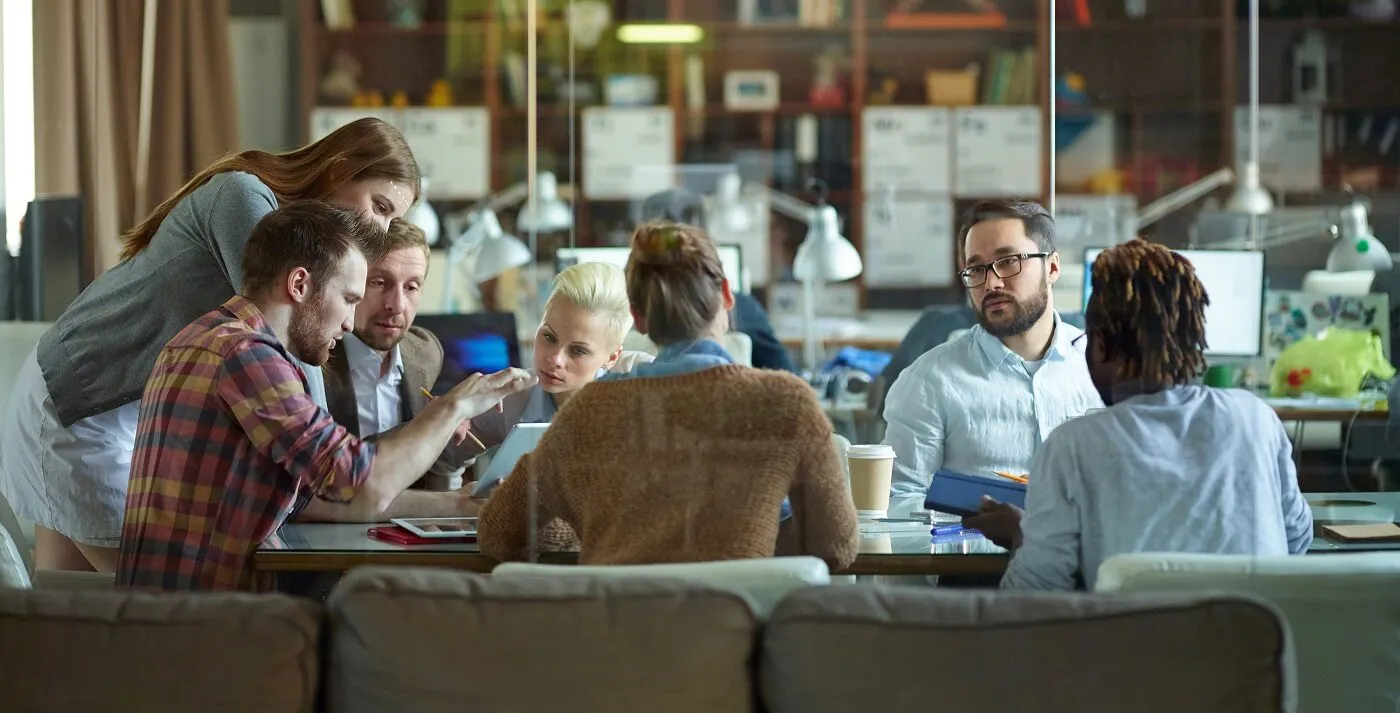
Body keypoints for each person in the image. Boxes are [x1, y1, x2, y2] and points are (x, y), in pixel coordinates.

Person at [0, 117, 420, 574]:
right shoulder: (245, 198)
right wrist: (326, 455)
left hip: (98, 406)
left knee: (69, 615)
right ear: (340, 169)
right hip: (76, 405)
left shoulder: (286, 226)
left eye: (393, 219)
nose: (381, 230)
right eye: (379, 207)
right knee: (148, 612)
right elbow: (290, 338)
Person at [117, 201, 533, 592]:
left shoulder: (201, 337)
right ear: (300, 284)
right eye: (350, 298)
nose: (351, 323)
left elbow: (308, 497)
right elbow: (360, 484)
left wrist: (457, 504)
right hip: (209, 627)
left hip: (169, 617)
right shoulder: (248, 357)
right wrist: (455, 406)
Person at [477, 221, 859, 569]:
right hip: (734, 634)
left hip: (615, 634)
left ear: (638, 319)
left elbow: (497, 534)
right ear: (727, 295)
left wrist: (592, 529)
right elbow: (836, 548)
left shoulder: (586, 413)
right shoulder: (786, 404)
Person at [967, 239, 1314, 591]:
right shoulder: (1256, 418)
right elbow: (1296, 539)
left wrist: (1021, 535)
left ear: (1100, 346)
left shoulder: (1073, 446)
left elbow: (1033, 594)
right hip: (1256, 640)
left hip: (1137, 642)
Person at [882, 199, 1102, 514]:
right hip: (978, 561)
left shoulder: (1102, 367)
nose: (992, 283)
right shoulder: (929, 381)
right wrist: (979, 513)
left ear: (1052, 267)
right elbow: (898, 500)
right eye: (976, 269)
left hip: (1086, 561)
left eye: (1009, 261)